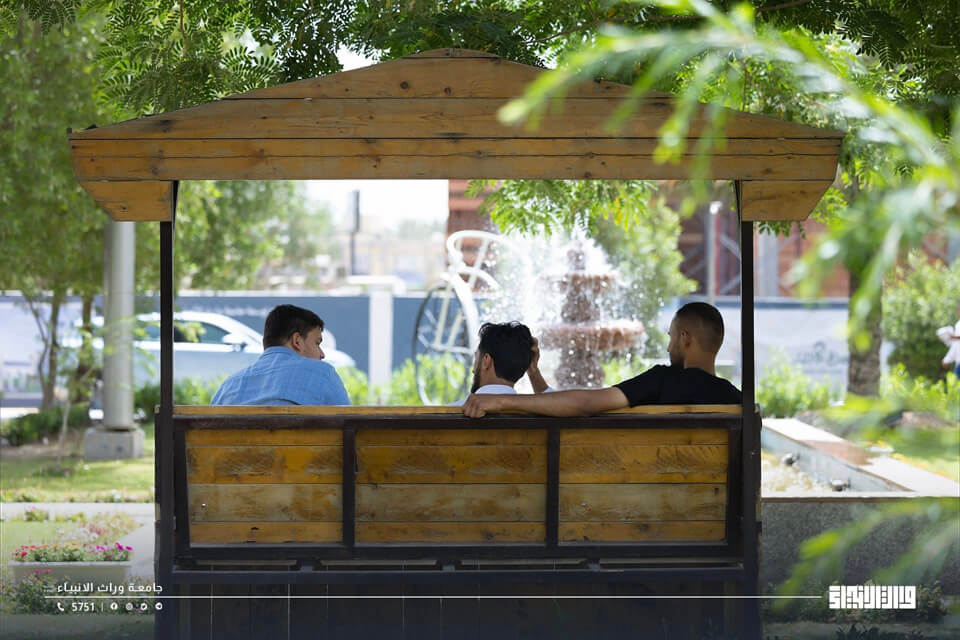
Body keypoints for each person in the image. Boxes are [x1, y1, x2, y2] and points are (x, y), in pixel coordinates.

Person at [461, 302, 740, 418]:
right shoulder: (736, 400)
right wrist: (535, 375)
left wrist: (501, 401)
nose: (668, 347)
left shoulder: (662, 381)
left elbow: (584, 404)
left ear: (685, 339)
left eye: (671, 337)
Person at [211, 304, 350, 405]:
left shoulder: (228, 387)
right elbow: (351, 430)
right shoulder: (323, 374)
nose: (322, 354)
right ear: (297, 341)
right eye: (317, 343)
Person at [454, 321, 551, 405]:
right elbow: (552, 403)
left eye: (476, 358)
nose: (473, 370)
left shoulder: (449, 412)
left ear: (486, 361)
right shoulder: (542, 416)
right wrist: (533, 371)